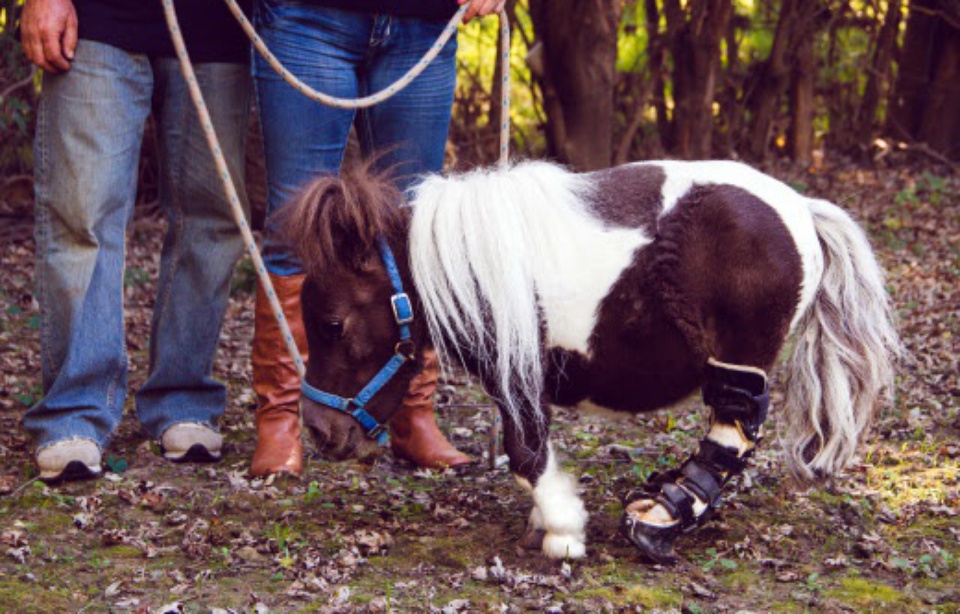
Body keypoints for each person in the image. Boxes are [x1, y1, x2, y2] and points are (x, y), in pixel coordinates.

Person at [249, 0, 505, 477]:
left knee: (417, 231)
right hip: (305, 20)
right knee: (293, 227)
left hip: (424, 24)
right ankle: (280, 416)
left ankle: (412, 415)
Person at [20, 0, 252, 483]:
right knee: (82, 216)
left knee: (212, 220)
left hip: (221, 27)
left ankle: (184, 398)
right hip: (98, 19)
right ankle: (75, 411)